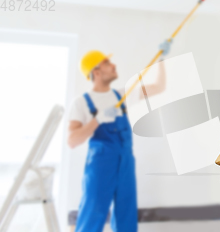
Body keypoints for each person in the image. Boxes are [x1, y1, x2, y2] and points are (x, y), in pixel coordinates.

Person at [67, 41, 172, 232]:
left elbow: (158, 87)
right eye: (107, 63)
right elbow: (72, 140)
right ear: (96, 72)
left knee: (126, 215)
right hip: (100, 163)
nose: (113, 65)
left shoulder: (123, 95)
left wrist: (162, 59)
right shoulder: (82, 103)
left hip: (125, 160)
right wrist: (97, 119)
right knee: (92, 213)